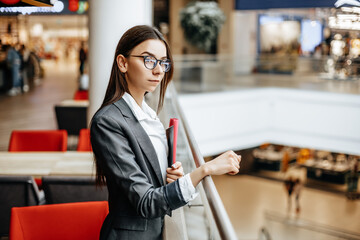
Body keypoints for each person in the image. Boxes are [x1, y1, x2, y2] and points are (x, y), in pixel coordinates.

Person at [90, 25, 241, 240]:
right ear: (123, 63)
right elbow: (145, 202)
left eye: (163, 62)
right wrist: (204, 170)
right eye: (148, 60)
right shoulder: (107, 121)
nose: (159, 70)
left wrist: (168, 177)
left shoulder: (148, 114)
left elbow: (149, 178)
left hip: (157, 231)